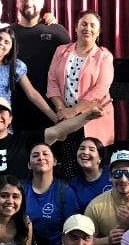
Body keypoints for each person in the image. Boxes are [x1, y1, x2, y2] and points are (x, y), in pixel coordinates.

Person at [0, 96, 101, 209]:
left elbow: (58, 131)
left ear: (10, 119)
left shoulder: (23, 141)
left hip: (16, 212)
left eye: (2, 111)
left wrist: (87, 117)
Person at [47, 10, 116, 150]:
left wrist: (74, 111)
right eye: (84, 24)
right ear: (76, 27)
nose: (87, 28)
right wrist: (62, 110)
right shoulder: (60, 51)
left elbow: (100, 90)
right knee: (67, 161)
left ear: (98, 32)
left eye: (92, 25)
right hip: (64, 120)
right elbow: (52, 82)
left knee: (91, 161)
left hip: (92, 120)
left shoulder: (104, 56)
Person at [12, 0, 72, 129]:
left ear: (42, 2)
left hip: (52, 111)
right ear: (17, 3)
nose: (28, 3)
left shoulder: (57, 32)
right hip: (14, 113)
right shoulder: (6, 34)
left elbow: (72, 68)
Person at [85, 150, 129, 245]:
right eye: (117, 174)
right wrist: (107, 240)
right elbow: (83, 242)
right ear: (110, 177)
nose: (123, 179)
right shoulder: (96, 206)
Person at [24, 142, 79, 245]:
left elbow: (73, 229)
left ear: (54, 161)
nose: (41, 158)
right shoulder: (20, 190)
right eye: (35, 155)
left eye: (45, 154)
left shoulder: (65, 191)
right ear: (29, 165)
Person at [68, 137, 111, 212]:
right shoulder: (73, 185)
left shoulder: (112, 173)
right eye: (82, 149)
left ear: (100, 158)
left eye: (91, 150)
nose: (85, 152)